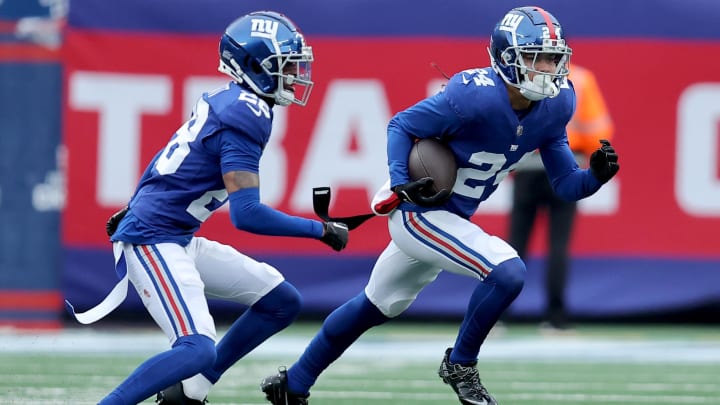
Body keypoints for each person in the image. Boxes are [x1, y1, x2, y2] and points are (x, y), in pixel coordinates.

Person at [260, 6, 619, 405]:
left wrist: (595, 178)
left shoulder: (558, 103)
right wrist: (400, 180)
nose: (550, 67)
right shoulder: (474, 94)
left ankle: (293, 383)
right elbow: (402, 125)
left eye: (554, 56)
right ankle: (461, 364)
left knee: (374, 306)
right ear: (507, 58)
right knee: (508, 271)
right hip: (421, 210)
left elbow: (566, 185)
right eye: (538, 56)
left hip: (451, 217)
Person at [76, 11, 349, 405]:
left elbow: (171, 161)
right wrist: (319, 230)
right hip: (153, 240)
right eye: (286, 66)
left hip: (175, 237)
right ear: (256, 65)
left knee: (281, 301)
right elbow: (247, 214)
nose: (295, 75)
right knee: (196, 347)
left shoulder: (233, 100)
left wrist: (137, 202)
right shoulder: (245, 113)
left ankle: (190, 391)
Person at [508, 64, 614, 331]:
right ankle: (556, 317)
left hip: (529, 165)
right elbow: (598, 133)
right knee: (558, 244)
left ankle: (499, 314)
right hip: (566, 165)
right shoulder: (581, 78)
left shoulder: (523, 72)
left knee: (514, 246)